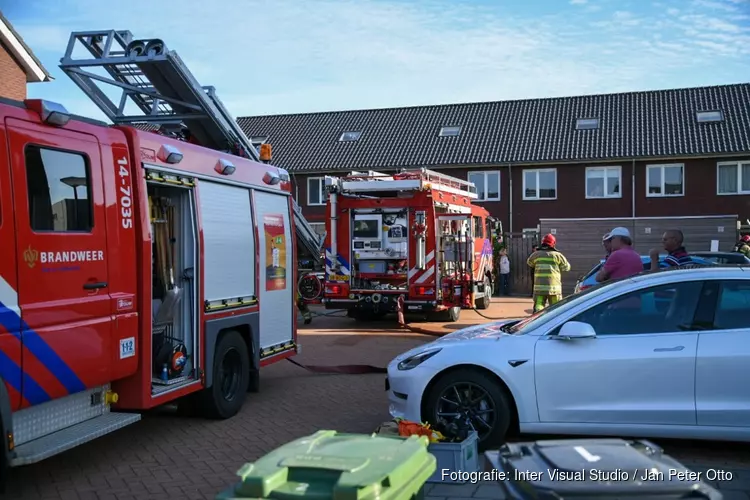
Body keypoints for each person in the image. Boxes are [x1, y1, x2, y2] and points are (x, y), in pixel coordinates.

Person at [527, 234, 571, 313]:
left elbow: (530, 263)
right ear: (553, 243)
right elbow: (567, 268)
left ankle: (538, 321)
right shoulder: (558, 255)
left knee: (539, 307)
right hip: (554, 288)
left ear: (542, 242)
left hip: (539, 288)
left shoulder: (536, 254)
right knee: (556, 309)